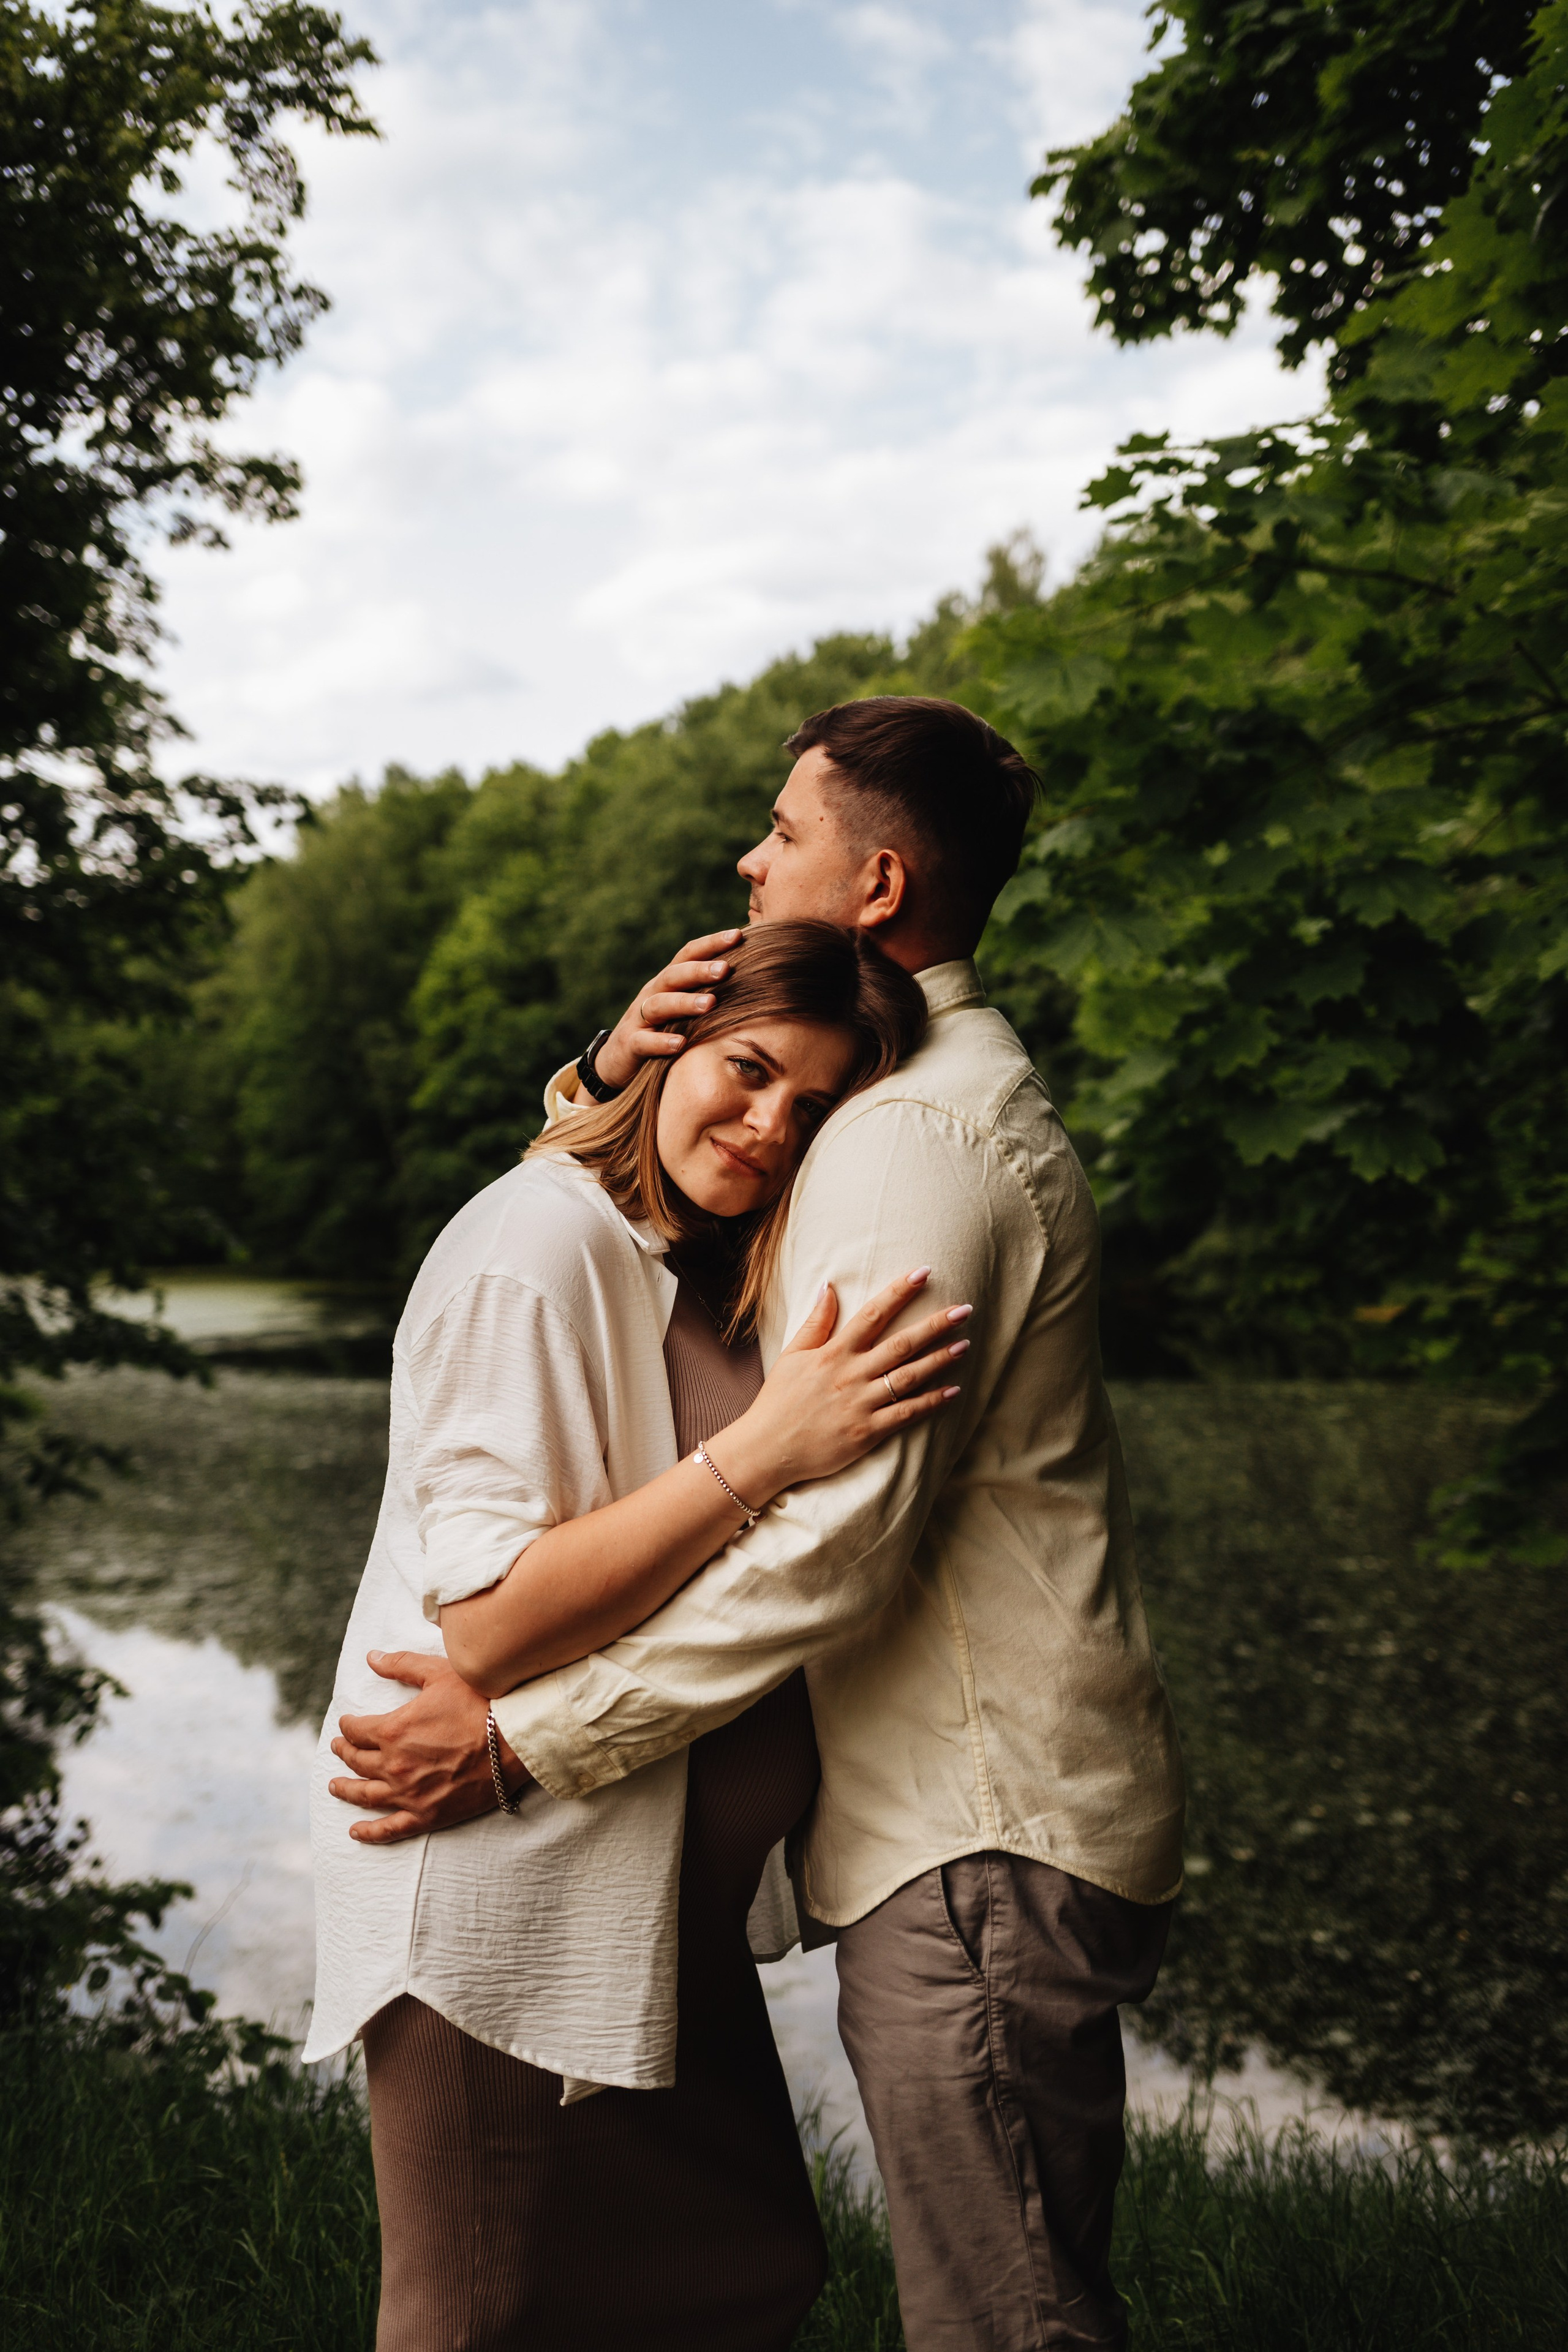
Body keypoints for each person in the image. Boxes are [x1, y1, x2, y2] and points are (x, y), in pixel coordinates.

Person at [332, 695, 1187, 2352]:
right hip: (884, 1843)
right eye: (748, 1075)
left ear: (871, 887)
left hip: (975, 1829)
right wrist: (604, 1079)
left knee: (999, 2324)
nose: (747, 857)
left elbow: (840, 1533)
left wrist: (529, 1741)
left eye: (782, 832)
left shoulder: (906, 1133)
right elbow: (580, 1278)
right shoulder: (870, 1104)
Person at [304, 919, 960, 2351]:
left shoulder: (673, 1249)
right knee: (480, 2314)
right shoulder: (533, 1245)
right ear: (671, 1048)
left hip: (637, 1887)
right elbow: (483, 1621)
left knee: (735, 2278)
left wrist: (601, 1074)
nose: (771, 1124)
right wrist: (765, 1452)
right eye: (746, 1068)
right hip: (500, 1890)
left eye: (814, 1106)